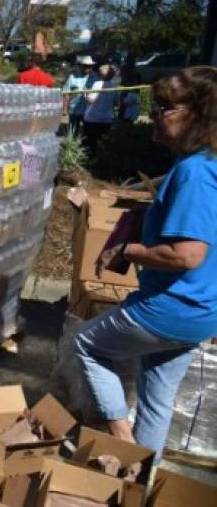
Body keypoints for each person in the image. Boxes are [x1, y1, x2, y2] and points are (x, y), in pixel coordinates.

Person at [76, 66, 217, 461]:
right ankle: (141, 483)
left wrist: (132, 251)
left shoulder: (194, 173)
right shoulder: (208, 166)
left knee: (88, 346)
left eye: (165, 107)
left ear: (199, 114)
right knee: (156, 398)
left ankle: (123, 447)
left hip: (169, 308)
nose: (154, 114)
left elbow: (188, 254)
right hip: (201, 311)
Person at [82, 63, 119, 154]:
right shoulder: (114, 86)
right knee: (102, 143)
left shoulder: (97, 84)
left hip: (93, 117)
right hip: (107, 118)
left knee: (90, 143)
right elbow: (116, 102)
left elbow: (91, 100)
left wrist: (85, 94)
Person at [63, 55, 97, 135]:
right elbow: (66, 92)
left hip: (89, 110)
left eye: (90, 66)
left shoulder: (95, 77)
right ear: (80, 66)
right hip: (75, 109)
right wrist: (65, 109)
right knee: (72, 131)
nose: (88, 68)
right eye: (85, 66)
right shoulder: (72, 77)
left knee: (87, 132)